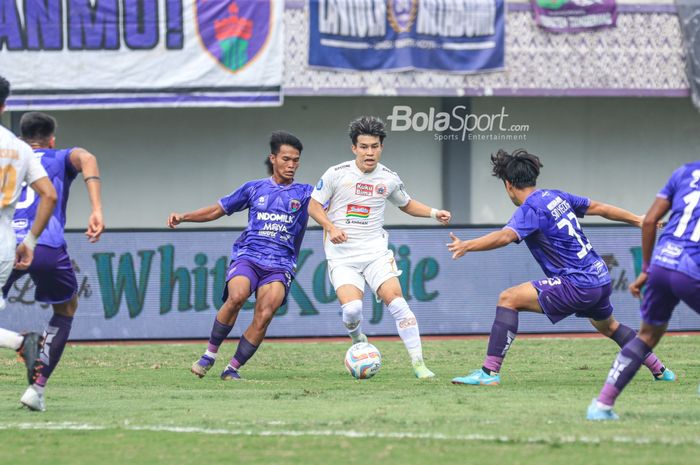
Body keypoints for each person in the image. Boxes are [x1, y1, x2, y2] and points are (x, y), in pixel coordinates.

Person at [447, 149, 675, 386]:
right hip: (599, 276)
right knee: (609, 327)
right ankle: (660, 369)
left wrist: (467, 246)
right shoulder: (556, 196)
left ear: (509, 185)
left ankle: (489, 373)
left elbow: (505, 237)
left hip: (578, 283)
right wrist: (638, 219)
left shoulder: (530, 210)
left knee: (508, 298)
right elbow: (599, 207)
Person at [308, 116, 451, 379]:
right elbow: (313, 205)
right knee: (352, 310)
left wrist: (434, 212)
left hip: (375, 254)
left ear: (381, 147)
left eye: (374, 146)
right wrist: (330, 227)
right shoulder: (336, 174)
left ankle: (419, 365)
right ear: (354, 148)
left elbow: (406, 204)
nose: (369, 152)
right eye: (364, 146)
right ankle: (357, 337)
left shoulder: (389, 178)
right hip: (342, 257)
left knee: (398, 304)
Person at [168, 131, 313, 380]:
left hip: (280, 265)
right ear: (274, 158)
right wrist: (184, 216)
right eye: (286, 159)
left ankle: (232, 368)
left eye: (296, 160)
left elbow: (331, 206)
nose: (291, 165)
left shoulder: (306, 193)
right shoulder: (254, 188)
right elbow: (217, 209)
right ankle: (209, 355)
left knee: (265, 313)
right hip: (249, 256)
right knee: (236, 296)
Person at [1, 111, 104, 411]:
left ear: (21, 139)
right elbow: (88, 158)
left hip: (7, 243)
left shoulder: (13, 156)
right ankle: (37, 388)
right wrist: (97, 208)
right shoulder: (59, 157)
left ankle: (20, 344)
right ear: (52, 139)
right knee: (66, 307)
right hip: (45, 244)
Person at [587, 161, 700, 420]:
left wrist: (647, 269)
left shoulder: (684, 172)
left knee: (647, 336)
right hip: (691, 266)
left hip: (662, 262)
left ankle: (601, 405)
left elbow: (649, 221)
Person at [0, 77, 58, 409]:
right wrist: (31, 241)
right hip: (7, 240)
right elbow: (48, 194)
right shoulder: (19, 148)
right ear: (4, 105)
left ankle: (22, 342)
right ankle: (22, 343)